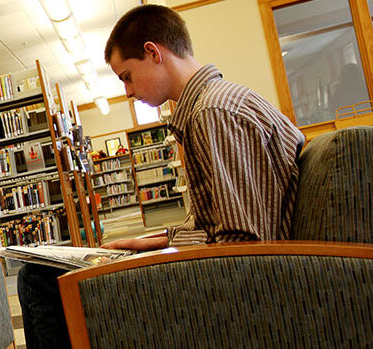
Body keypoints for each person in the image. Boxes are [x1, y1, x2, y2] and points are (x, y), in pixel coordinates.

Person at [16, 5, 305, 348]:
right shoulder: (211, 105)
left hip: (238, 287)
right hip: (232, 272)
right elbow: (220, 225)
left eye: (126, 76)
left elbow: (242, 245)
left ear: (153, 52)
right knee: (53, 271)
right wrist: (153, 243)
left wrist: (158, 257)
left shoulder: (213, 112)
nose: (128, 92)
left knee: (37, 278)